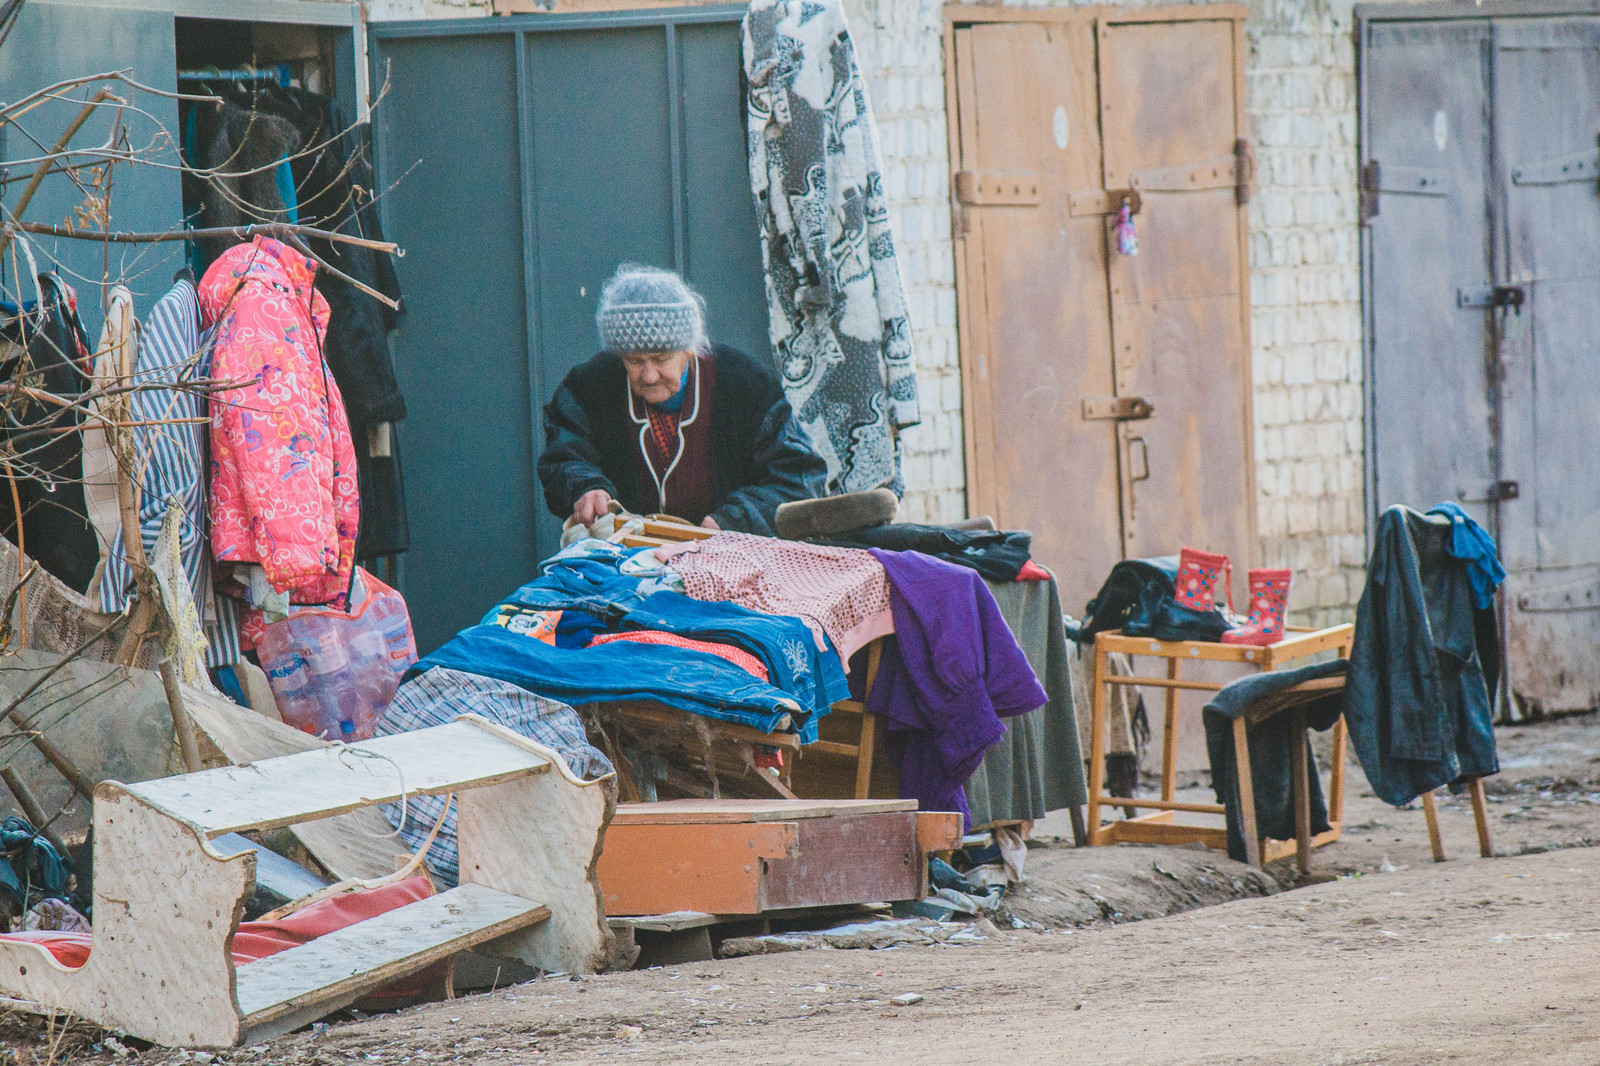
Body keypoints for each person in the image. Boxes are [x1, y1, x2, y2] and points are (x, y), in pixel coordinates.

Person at [538, 265, 826, 535]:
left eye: (661, 358)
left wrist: (734, 521)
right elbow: (564, 454)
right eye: (634, 361)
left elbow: (798, 478)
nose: (649, 375)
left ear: (690, 349)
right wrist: (584, 486)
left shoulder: (745, 385)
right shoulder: (590, 386)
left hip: (728, 561)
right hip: (625, 562)